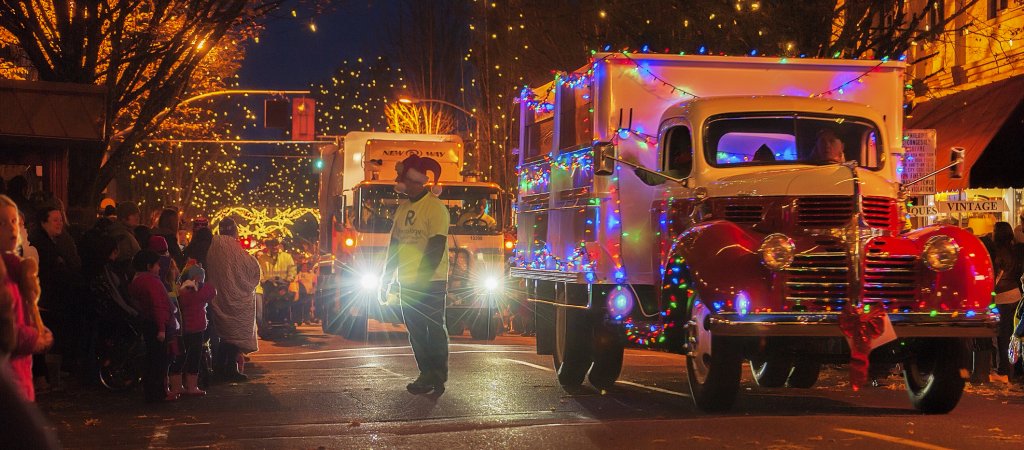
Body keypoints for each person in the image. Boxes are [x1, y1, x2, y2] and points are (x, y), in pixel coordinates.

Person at [382, 154, 451, 395]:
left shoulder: (435, 208)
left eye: (404, 179)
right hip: (407, 282)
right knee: (416, 330)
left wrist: (422, 279)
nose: (400, 183)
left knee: (432, 328)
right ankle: (425, 373)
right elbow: (394, 247)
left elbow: (435, 248)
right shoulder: (402, 210)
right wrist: (386, 278)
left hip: (431, 282)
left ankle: (437, 374)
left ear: (415, 181)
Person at [0, 195, 52, 401]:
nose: (12, 228)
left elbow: (21, 314)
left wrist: (39, 329)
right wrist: (33, 338)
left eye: (14, 221)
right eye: (2, 222)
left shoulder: (17, 270)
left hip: (19, 379)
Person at [206, 218, 261, 382]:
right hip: (234, 298)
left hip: (218, 296)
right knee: (232, 336)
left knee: (225, 336)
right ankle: (228, 368)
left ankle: (221, 368)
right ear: (235, 231)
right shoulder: (233, 248)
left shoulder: (214, 246)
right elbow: (250, 267)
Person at [129, 249, 180, 403]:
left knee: (151, 359)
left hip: (148, 322)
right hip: (158, 325)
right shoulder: (152, 281)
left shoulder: (136, 280)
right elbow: (159, 306)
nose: (159, 268)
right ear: (149, 266)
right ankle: (159, 394)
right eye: (157, 265)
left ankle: (152, 393)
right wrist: (162, 328)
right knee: (159, 361)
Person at [985, 222, 1024, 383]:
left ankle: (1005, 371)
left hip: (1001, 297)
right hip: (1015, 294)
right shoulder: (1016, 251)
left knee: (1002, 336)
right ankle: (1016, 370)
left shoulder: (995, 252)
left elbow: (994, 276)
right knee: (1015, 334)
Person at [170, 265, 215, 396]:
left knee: (180, 357)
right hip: (195, 329)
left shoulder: (179, 290)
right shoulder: (199, 291)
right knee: (193, 357)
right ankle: (191, 387)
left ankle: (177, 387)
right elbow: (212, 291)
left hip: (181, 329)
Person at [110, 201, 142, 266]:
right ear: (123, 217)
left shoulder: (127, 232)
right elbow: (124, 261)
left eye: (138, 215)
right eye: (133, 215)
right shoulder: (121, 235)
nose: (137, 218)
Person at [294, 261, 316, 326]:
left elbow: (314, 282)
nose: (305, 268)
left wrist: (313, 289)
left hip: (309, 293)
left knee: (307, 307)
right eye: (303, 266)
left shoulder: (311, 274)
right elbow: (296, 281)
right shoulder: (298, 274)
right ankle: (299, 319)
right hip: (301, 293)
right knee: (300, 307)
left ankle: (307, 319)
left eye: (306, 267)